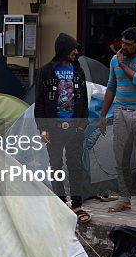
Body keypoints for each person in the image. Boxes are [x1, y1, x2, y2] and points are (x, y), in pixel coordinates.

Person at [99, 27, 136, 218]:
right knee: (121, 159)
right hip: (121, 111)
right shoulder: (114, 60)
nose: (123, 47)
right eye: (122, 43)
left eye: (128, 44)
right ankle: (124, 199)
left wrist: (124, 65)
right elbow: (111, 87)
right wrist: (102, 115)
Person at [34, 33, 92, 223]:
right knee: (56, 165)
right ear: (64, 50)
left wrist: (82, 125)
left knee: (76, 165)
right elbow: (40, 102)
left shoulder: (78, 71)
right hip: (53, 128)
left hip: (75, 128)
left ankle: (77, 205)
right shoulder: (46, 71)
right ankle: (60, 203)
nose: (77, 52)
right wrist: (42, 128)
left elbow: (83, 100)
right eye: (73, 48)